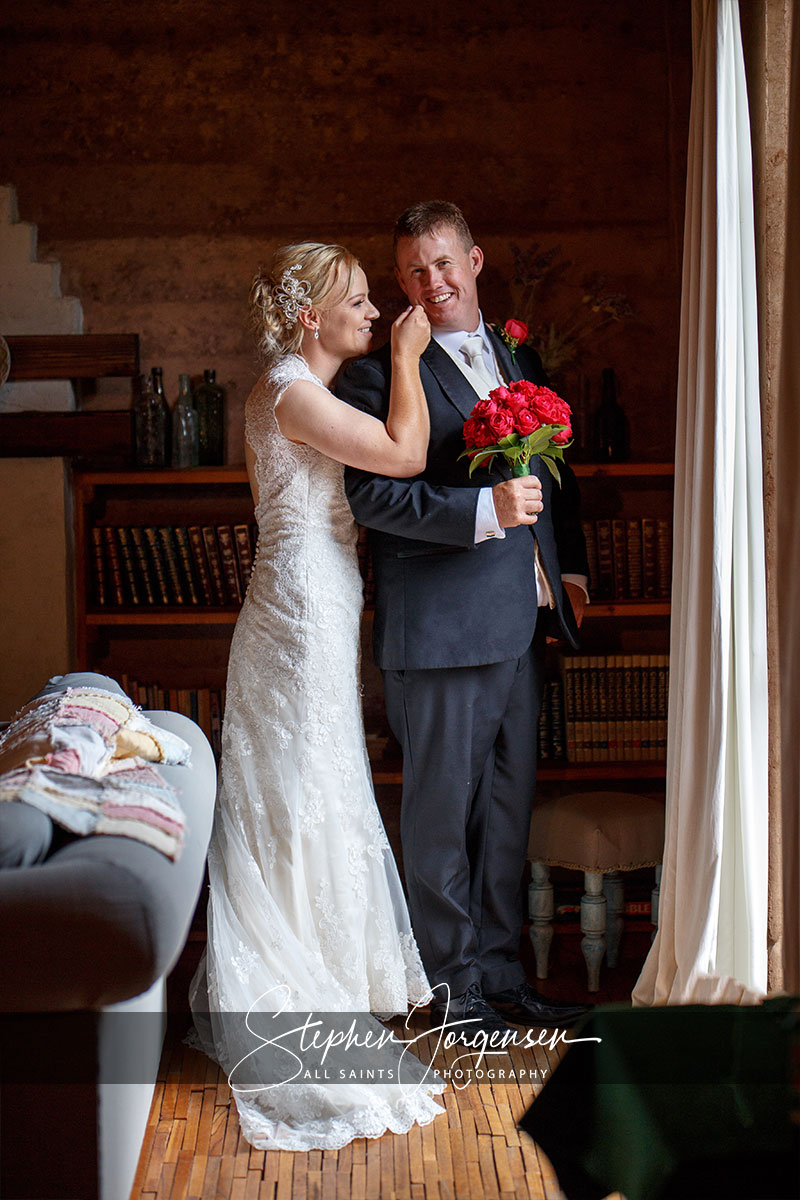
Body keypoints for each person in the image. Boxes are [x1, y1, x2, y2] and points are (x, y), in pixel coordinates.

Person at [189, 241, 445, 1150]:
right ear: (309, 316)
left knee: (320, 785)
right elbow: (403, 456)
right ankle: (299, 990)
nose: (376, 315)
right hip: (299, 610)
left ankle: (326, 980)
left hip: (319, 602)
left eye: (378, 305)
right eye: (360, 301)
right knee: (303, 789)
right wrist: (411, 361)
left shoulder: (301, 385)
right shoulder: (294, 392)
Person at [337, 202, 590, 1039]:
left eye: (442, 263)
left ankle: (501, 976)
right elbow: (374, 497)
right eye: (412, 270)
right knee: (442, 822)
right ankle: (451, 991)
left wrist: (567, 567)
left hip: (521, 620)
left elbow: (554, 476)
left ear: (475, 261)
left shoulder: (515, 354)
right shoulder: (376, 379)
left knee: (507, 815)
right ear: (400, 282)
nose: (430, 282)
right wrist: (485, 510)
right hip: (441, 631)